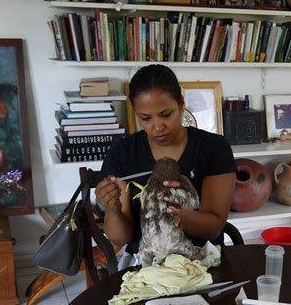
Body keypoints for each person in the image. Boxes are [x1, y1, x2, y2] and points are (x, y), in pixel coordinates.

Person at [95, 64, 237, 266]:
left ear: (180, 104)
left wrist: (174, 212)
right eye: (146, 118)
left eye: (166, 114)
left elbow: (213, 228)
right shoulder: (123, 153)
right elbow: (120, 237)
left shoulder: (213, 148)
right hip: (145, 261)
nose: (158, 127)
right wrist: (113, 208)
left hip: (201, 259)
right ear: (136, 114)